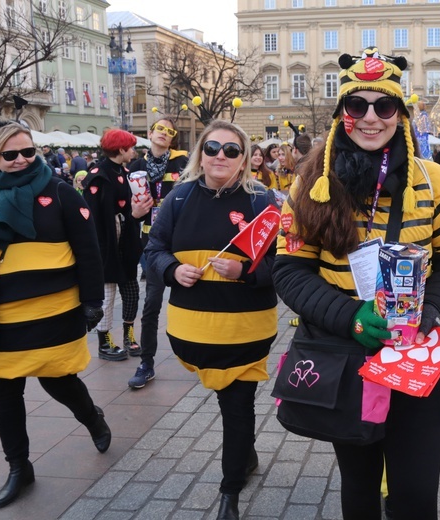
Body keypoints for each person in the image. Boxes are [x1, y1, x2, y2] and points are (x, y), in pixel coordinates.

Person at [272, 47, 440, 520]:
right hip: (346, 358)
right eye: (355, 105)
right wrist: (351, 318)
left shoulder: (435, 180)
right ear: (341, 113)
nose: (369, 117)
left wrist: (430, 313)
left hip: (415, 360)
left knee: (416, 496)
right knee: (359, 490)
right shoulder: (311, 185)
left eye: (383, 106)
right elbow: (289, 269)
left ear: (400, 115)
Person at [0, 121, 110, 509]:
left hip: (53, 310)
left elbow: (89, 250)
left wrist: (92, 302)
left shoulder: (62, 192)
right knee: (3, 392)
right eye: (10, 154)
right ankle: (19, 467)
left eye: (28, 152)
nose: (20, 160)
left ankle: (92, 418)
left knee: (59, 381)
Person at [145, 120, 277, 520]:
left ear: (244, 160)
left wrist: (247, 273)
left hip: (245, 330)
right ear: (201, 153)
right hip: (192, 331)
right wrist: (171, 270)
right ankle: (246, 456)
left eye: (232, 150)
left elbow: (287, 263)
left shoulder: (262, 201)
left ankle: (229, 491)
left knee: (236, 405)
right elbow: (153, 250)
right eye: (213, 147)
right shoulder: (179, 198)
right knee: (231, 405)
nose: (221, 155)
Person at [127, 118, 188, 389]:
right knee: (151, 303)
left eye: (169, 131)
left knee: (192, 299)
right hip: (151, 242)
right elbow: (128, 210)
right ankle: (147, 362)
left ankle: (200, 353)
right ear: (149, 133)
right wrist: (134, 213)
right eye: (159, 129)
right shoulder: (137, 167)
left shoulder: (181, 163)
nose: (164, 133)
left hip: (184, 241)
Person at [83, 130, 153, 361]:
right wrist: (132, 214)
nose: (133, 151)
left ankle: (129, 333)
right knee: (108, 295)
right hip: (107, 248)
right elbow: (96, 218)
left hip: (127, 247)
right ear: (121, 149)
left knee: (132, 293)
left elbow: (128, 210)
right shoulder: (98, 176)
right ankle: (104, 341)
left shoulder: (125, 172)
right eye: (130, 147)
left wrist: (139, 210)